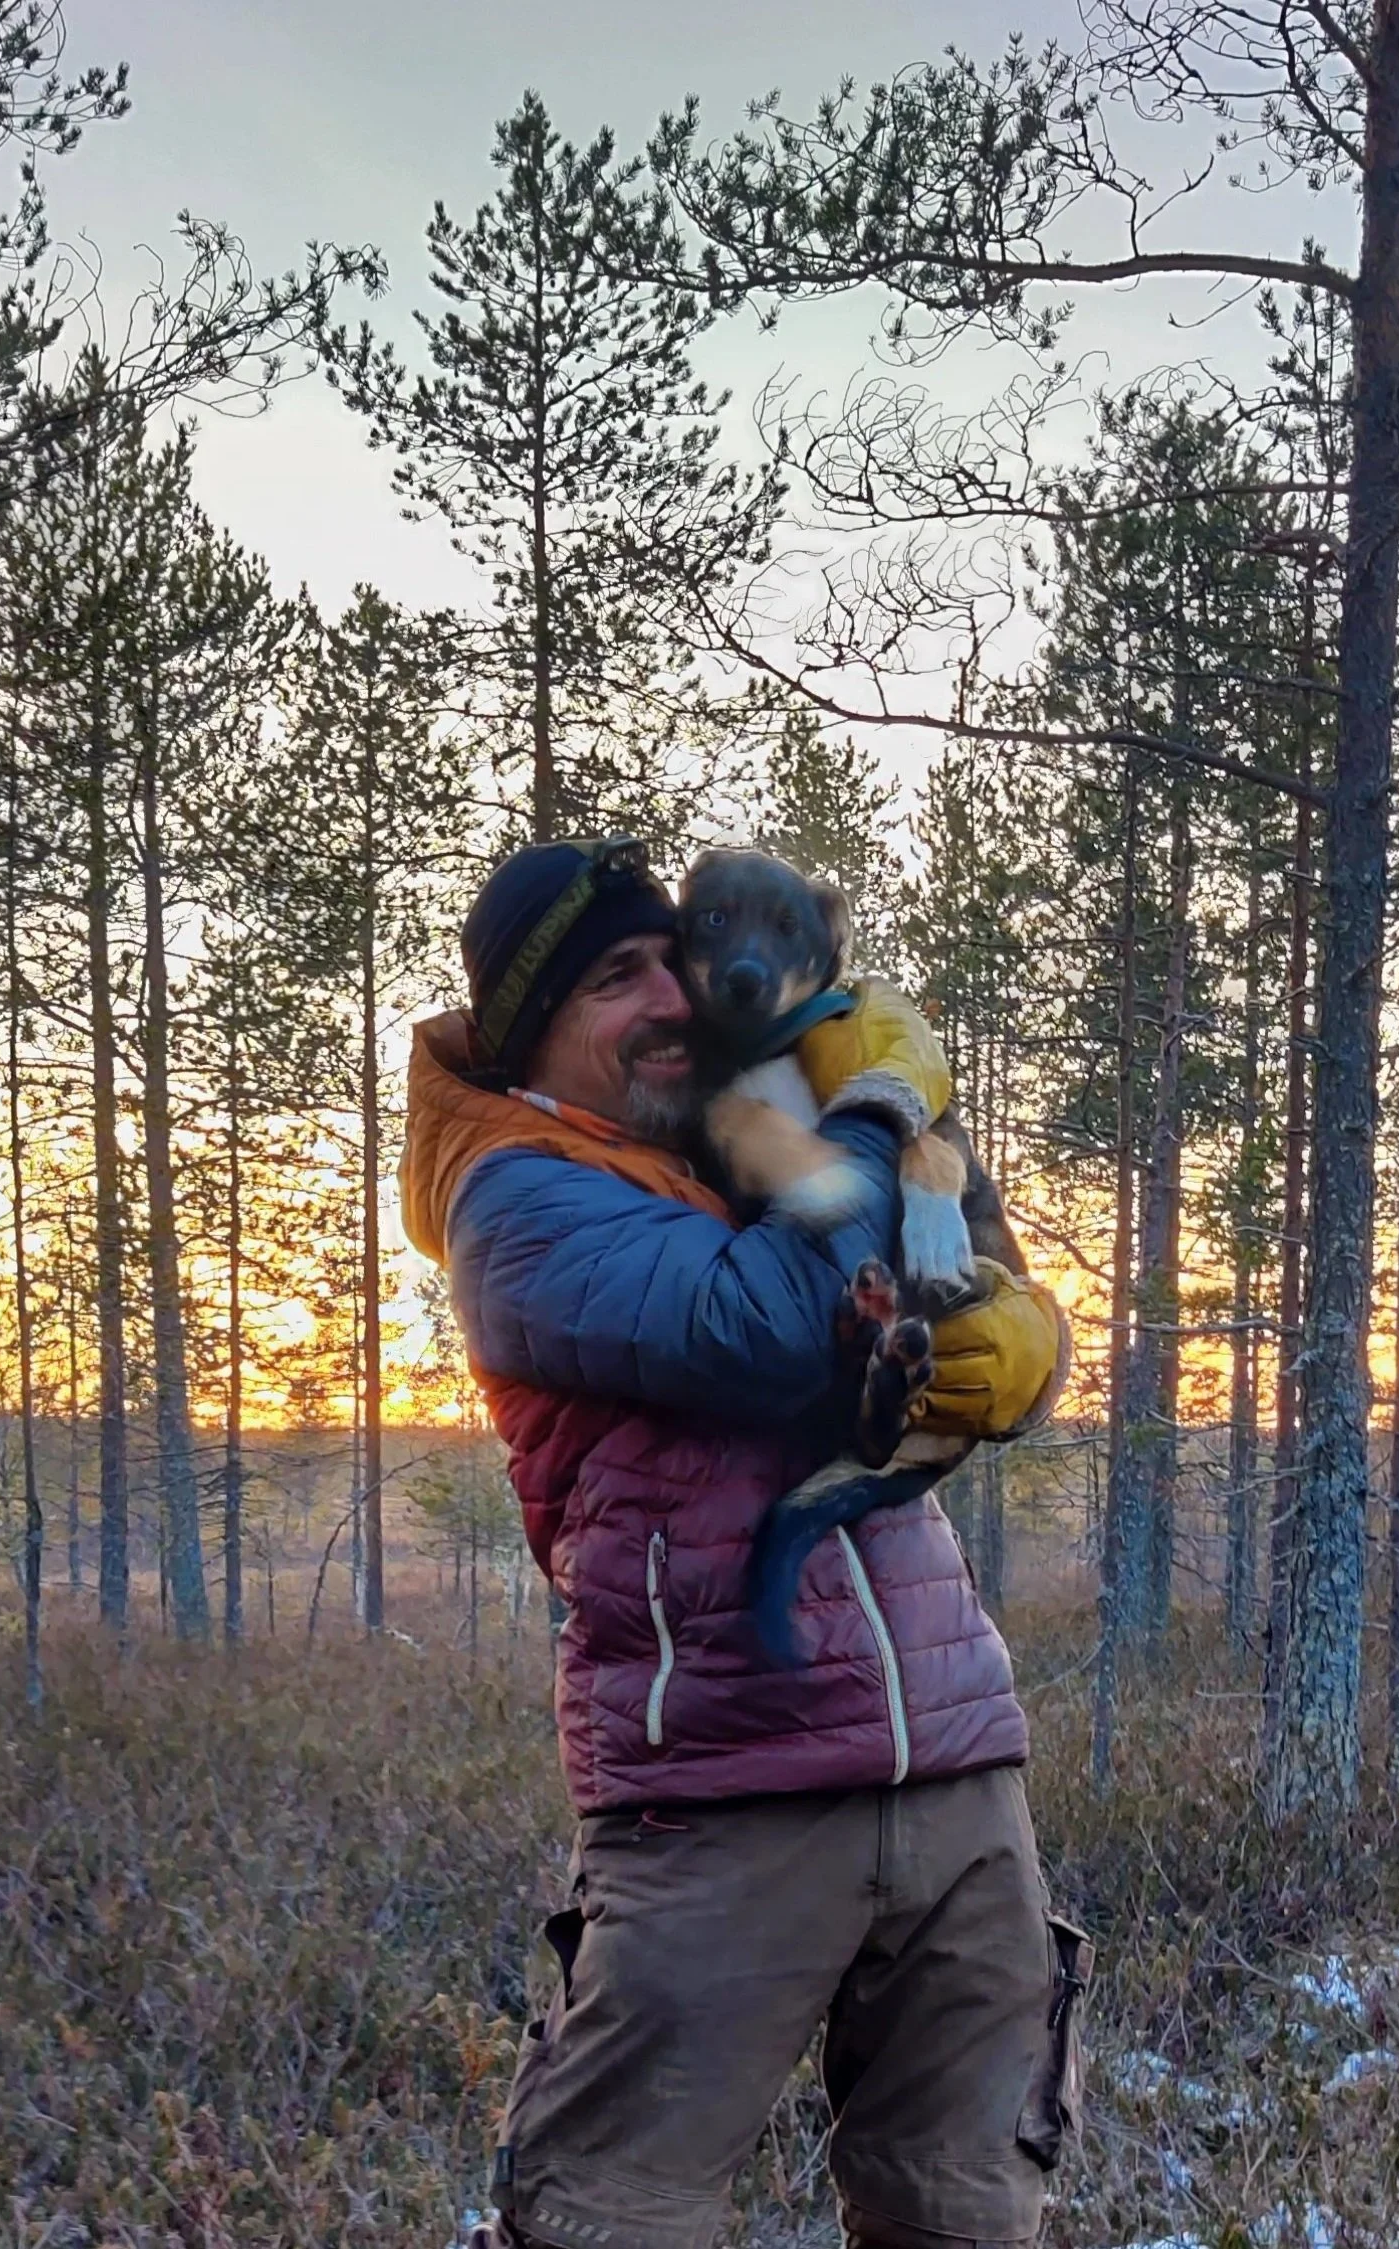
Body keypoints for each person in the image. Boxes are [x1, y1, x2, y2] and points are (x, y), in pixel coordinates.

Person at [400, 836, 1074, 2249]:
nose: (673, 999)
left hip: (952, 1768)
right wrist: (880, 1104)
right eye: (615, 978)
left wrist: (1024, 1343)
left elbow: (954, 1278)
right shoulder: (519, 1197)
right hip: (724, 1794)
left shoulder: (719, 1131)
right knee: (611, 2215)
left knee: (965, 2210)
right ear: (529, 1031)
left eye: (674, 961)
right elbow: (769, 1323)